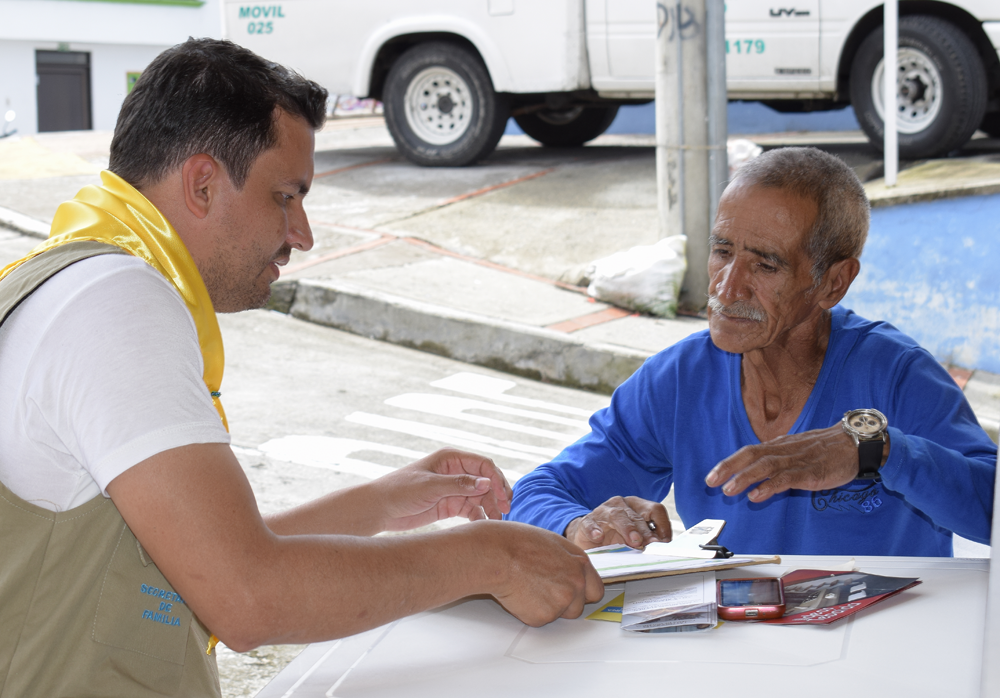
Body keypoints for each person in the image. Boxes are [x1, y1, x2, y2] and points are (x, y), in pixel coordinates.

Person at [0, 39, 602, 698]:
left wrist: (383, 503)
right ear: (202, 183)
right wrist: (494, 556)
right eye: (285, 196)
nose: (303, 233)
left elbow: (192, 559)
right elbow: (247, 596)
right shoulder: (115, 301)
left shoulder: (73, 280)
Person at [507, 147, 997, 558]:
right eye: (722, 250)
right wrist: (580, 526)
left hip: (878, 660)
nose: (726, 286)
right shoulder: (679, 380)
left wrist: (879, 451)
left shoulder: (897, 374)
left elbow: (989, 506)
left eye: (765, 265)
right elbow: (536, 492)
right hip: (737, 654)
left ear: (833, 282)